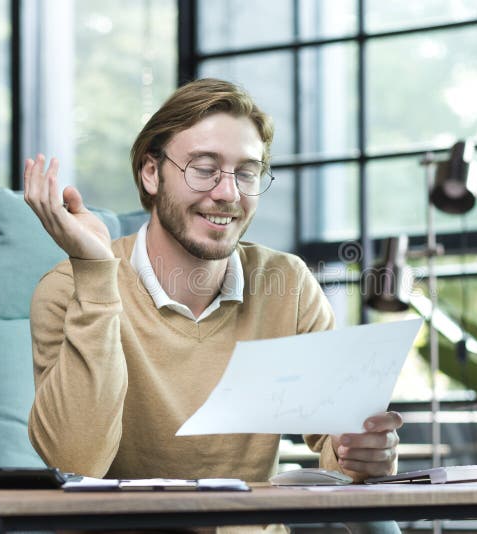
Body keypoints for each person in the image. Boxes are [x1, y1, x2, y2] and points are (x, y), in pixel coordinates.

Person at [24, 78, 402, 484]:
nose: (228, 192)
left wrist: (363, 454)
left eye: (247, 173)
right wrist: (96, 275)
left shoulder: (287, 284)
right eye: (204, 169)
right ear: (151, 173)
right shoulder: (69, 288)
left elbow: (338, 444)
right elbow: (78, 463)